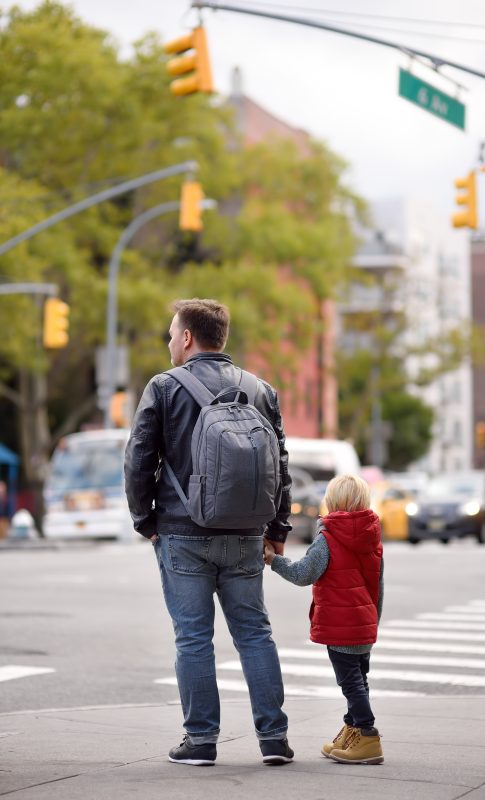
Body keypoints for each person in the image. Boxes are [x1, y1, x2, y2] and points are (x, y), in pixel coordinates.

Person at [124, 298, 293, 767]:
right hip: (245, 533)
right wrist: (277, 528)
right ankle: (274, 738)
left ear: (186, 338)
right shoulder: (261, 390)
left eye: (171, 332)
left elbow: (139, 459)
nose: (168, 340)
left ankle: (200, 741)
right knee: (255, 634)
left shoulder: (163, 387)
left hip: (182, 532)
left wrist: (146, 522)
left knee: (193, 639)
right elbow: (280, 466)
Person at [264, 473, 384, 765]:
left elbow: (303, 573)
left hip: (341, 627)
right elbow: (378, 584)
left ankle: (367, 735)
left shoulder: (328, 537)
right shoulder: (371, 535)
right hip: (365, 623)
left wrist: (274, 561)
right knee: (359, 680)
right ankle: (353, 730)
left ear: (331, 502)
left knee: (351, 684)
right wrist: (372, 622)